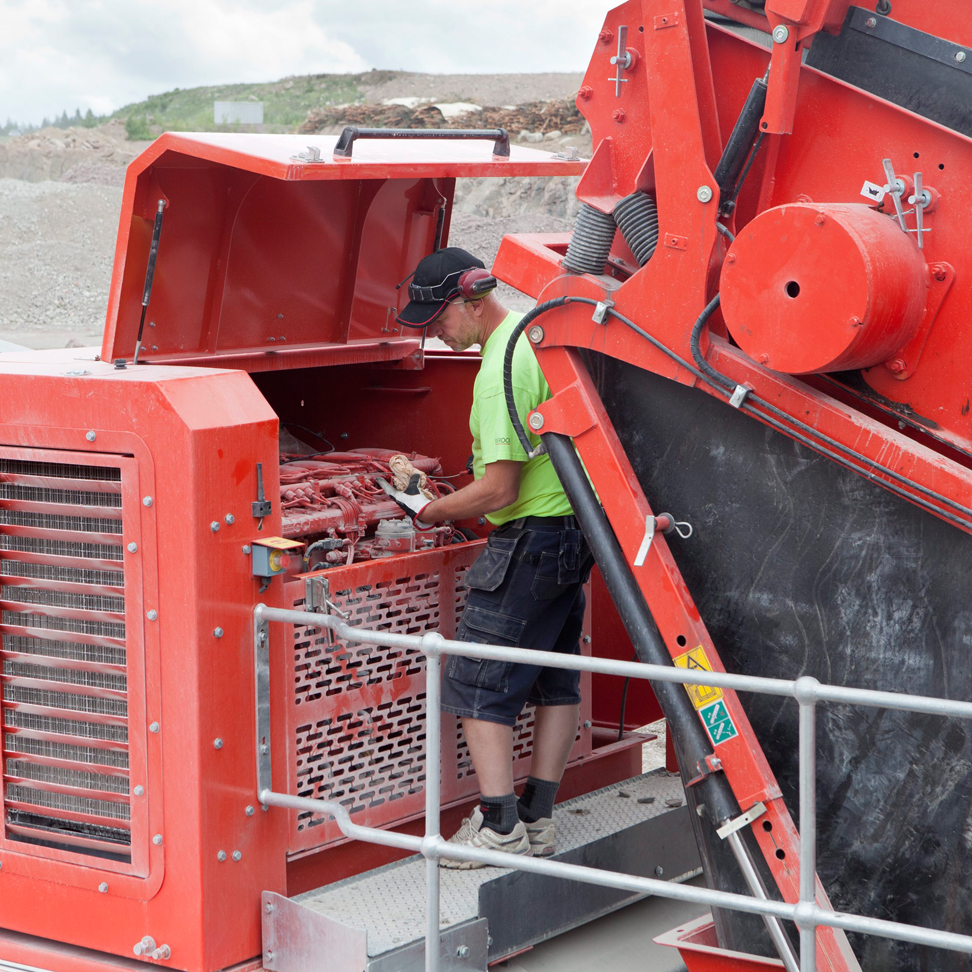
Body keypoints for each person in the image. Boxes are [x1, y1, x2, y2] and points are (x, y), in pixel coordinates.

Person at [385, 246, 593, 867]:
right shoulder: (532, 339)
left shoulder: (501, 361)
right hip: (571, 531)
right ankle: (537, 820)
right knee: (555, 674)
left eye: (438, 319)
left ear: (471, 301)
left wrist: (429, 510)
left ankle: (497, 827)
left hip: (529, 538)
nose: (437, 334)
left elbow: (499, 489)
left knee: (475, 680)